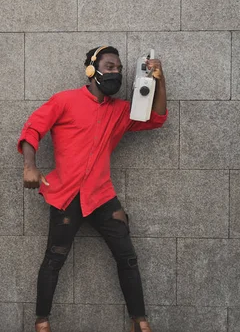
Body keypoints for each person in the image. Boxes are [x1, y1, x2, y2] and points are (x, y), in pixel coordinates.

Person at [18, 46, 167, 332]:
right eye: (110, 66)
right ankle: (41, 323)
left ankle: (141, 323)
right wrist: (29, 166)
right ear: (91, 70)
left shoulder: (121, 111)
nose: (116, 73)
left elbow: (157, 118)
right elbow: (33, 128)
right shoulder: (64, 100)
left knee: (128, 257)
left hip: (102, 196)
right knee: (54, 258)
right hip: (66, 195)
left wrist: (160, 79)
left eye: (119, 69)